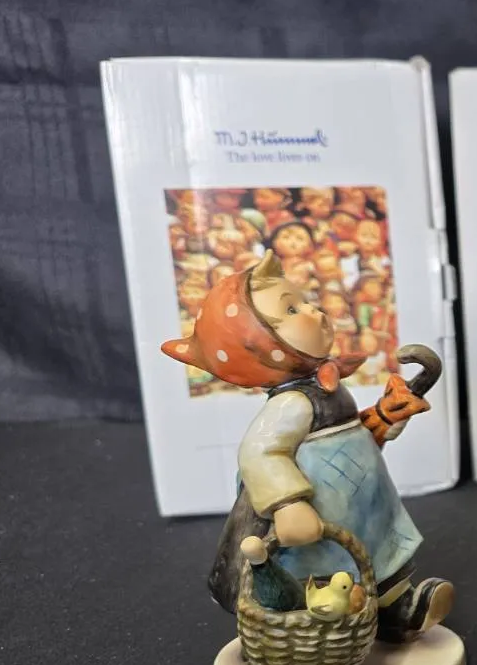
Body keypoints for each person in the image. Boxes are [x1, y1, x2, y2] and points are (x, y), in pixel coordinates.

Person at [160, 253, 451, 641]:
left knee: (377, 554)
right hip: (324, 507)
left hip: (361, 498)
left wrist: (382, 418)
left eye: (304, 301)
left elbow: (343, 435)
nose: (313, 310)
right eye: (292, 309)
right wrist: (287, 504)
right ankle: (329, 634)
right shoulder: (290, 404)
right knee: (327, 568)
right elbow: (259, 452)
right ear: (260, 345)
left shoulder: (325, 387)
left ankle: (396, 609)